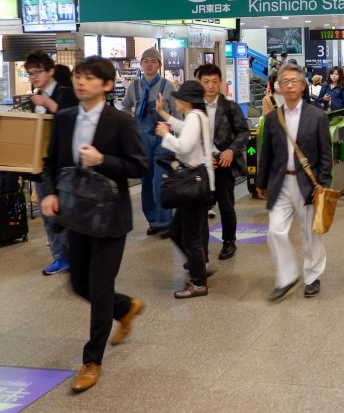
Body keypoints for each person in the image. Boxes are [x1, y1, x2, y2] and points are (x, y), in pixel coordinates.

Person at [39, 56, 148, 393]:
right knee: (79, 285)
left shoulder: (120, 121)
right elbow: (50, 163)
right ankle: (126, 306)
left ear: (106, 84)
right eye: (77, 76)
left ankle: (92, 360)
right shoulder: (66, 118)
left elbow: (139, 166)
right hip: (75, 215)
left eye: (88, 77)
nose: (81, 82)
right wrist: (51, 193)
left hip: (109, 218)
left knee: (99, 288)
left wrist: (103, 160)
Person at [256, 65, 332, 302]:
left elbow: (325, 155)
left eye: (294, 81)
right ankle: (287, 277)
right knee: (275, 230)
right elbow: (265, 153)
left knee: (310, 234)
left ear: (303, 85)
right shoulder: (271, 118)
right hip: (280, 182)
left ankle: (312, 276)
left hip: (308, 184)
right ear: (278, 87)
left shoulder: (317, 116)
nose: (289, 85)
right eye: (285, 81)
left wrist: (322, 185)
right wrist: (261, 181)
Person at [155, 81, 215, 298]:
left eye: (179, 98)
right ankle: (198, 265)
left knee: (190, 236)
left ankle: (198, 282)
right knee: (177, 230)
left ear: (187, 101)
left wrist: (165, 135)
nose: (176, 101)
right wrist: (163, 114)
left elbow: (183, 146)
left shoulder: (194, 117)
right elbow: (182, 129)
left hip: (193, 184)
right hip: (198, 182)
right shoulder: (197, 116)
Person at [24, 49, 79, 275]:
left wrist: (49, 103)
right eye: (30, 74)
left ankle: (76, 256)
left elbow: (76, 119)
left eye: (38, 72)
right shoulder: (34, 99)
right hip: (42, 164)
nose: (34, 77)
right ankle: (59, 257)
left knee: (69, 212)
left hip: (65, 165)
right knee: (49, 214)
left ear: (51, 71)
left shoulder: (66, 94)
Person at [194, 64, 250, 261]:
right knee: (200, 209)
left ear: (220, 83)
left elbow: (244, 132)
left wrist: (231, 151)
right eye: (206, 82)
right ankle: (201, 249)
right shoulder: (193, 108)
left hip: (224, 164)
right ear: (198, 82)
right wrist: (201, 154)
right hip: (201, 165)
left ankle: (229, 241)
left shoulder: (229, 106)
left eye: (214, 82)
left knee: (226, 206)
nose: (210, 86)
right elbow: (187, 136)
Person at [120, 48, 179, 236]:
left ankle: (165, 220)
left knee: (160, 180)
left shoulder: (167, 86)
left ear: (160, 65)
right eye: (146, 61)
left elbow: (177, 113)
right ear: (141, 64)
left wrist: (176, 137)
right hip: (141, 139)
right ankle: (153, 220)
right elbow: (124, 107)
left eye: (153, 61)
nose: (149, 64)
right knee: (146, 180)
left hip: (163, 138)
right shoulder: (134, 86)